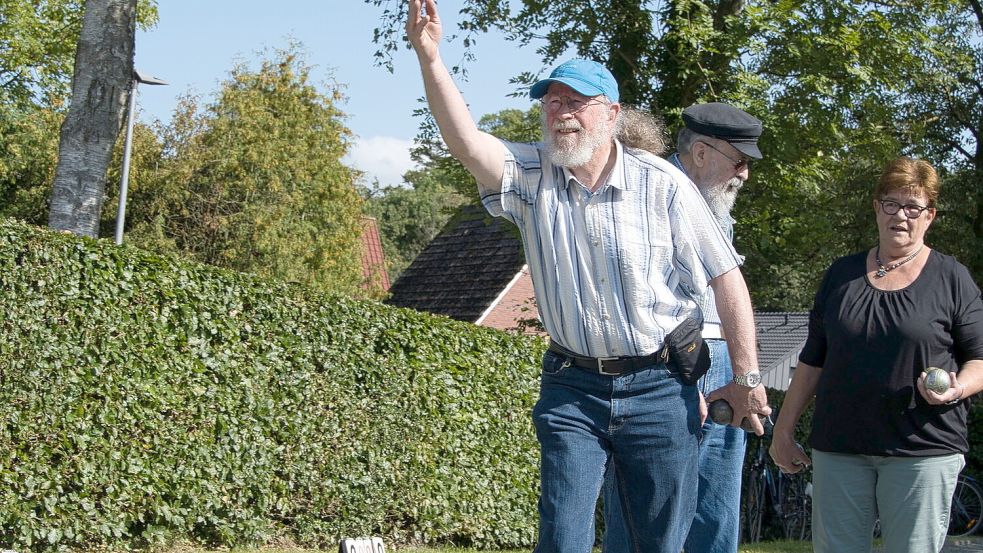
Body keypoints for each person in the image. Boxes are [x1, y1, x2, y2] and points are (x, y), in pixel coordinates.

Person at [406, 1, 770, 551]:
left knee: (660, 541)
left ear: (611, 113)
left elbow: (727, 277)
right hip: (572, 387)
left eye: (575, 101)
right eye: (551, 102)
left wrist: (746, 377)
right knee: (563, 535)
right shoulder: (530, 177)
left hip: (660, 386)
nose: (560, 112)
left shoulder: (663, 184)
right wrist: (430, 57)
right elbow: (466, 140)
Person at [769, 157, 983, 553]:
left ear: (929, 216)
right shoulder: (841, 275)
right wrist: (783, 430)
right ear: (876, 207)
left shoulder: (952, 278)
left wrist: (956, 389)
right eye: (891, 204)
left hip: (921, 449)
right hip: (840, 448)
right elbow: (813, 359)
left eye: (913, 207)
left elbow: (980, 360)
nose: (901, 215)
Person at [604, 102, 764, 553]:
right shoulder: (643, 193)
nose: (745, 174)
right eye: (740, 160)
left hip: (717, 364)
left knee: (715, 513)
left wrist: (742, 376)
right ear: (699, 152)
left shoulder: (715, 201)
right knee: (647, 516)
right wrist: (677, 378)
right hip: (662, 367)